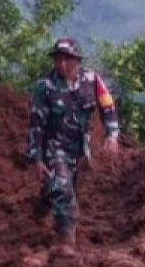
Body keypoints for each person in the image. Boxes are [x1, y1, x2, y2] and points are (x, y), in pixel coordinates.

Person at [27, 37, 120, 255]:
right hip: (54, 146)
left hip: (80, 148)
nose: (62, 64)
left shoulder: (92, 80)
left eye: (67, 59)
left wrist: (112, 135)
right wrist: (37, 157)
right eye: (58, 59)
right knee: (63, 187)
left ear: (77, 60)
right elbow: (36, 123)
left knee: (68, 187)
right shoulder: (45, 87)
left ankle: (46, 201)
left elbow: (108, 107)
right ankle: (66, 242)